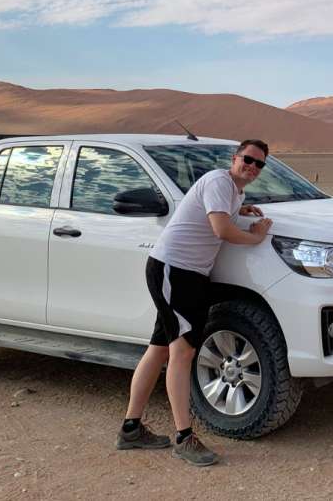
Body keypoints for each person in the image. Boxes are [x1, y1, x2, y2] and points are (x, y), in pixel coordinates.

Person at [116, 139, 273, 467]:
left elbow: (217, 214)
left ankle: (131, 429)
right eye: (248, 159)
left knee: (160, 348)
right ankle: (184, 438)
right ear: (235, 158)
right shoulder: (219, 180)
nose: (253, 167)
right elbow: (221, 230)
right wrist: (255, 237)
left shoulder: (233, 191)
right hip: (175, 271)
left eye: (259, 164)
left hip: (183, 274)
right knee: (183, 352)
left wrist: (239, 209)